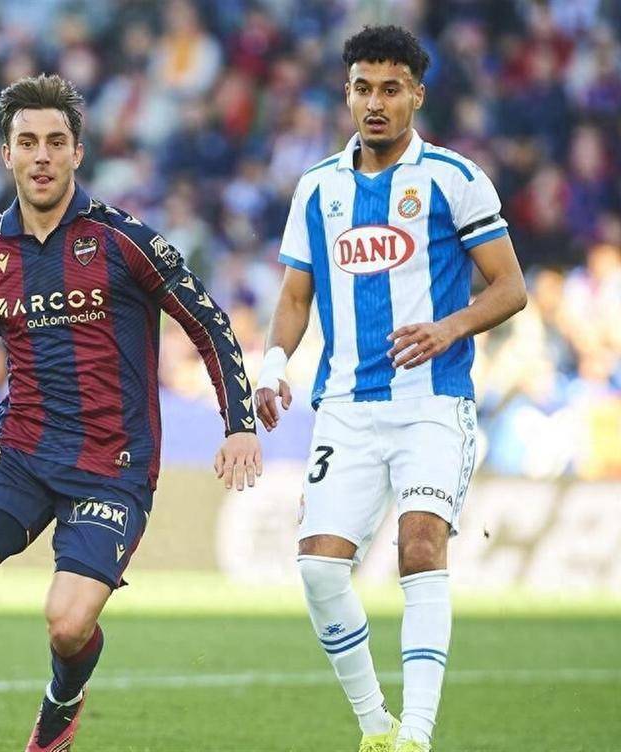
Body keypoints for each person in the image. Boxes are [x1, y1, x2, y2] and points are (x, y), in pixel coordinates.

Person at [0, 74, 262, 752]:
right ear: (7, 154)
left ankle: (63, 700)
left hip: (111, 465)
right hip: (23, 452)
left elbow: (208, 324)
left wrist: (238, 423)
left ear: (77, 153)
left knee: (66, 623)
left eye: (55, 142)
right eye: (27, 142)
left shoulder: (123, 241)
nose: (41, 156)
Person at [254, 27, 526, 752]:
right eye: (363, 89)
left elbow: (510, 286)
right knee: (318, 569)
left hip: (431, 403)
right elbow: (295, 296)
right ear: (346, 94)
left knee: (420, 544)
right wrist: (273, 364)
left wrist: (449, 328)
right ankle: (377, 727)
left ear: (417, 95)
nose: (375, 103)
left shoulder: (454, 179)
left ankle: (418, 737)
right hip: (345, 407)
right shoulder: (317, 188)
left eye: (391, 89)